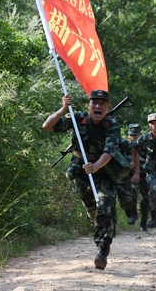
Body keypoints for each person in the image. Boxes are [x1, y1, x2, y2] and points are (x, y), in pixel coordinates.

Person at [42, 90, 134, 270]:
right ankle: (94, 217)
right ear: (89, 105)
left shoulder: (112, 124)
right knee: (91, 208)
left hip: (103, 168)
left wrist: (97, 166)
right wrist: (63, 109)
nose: (98, 106)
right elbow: (47, 126)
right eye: (94, 103)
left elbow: (110, 151)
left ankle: (103, 248)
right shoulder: (78, 119)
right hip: (80, 169)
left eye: (102, 104)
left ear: (107, 107)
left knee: (105, 204)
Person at [125, 123, 151, 231]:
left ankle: (143, 223)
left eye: (135, 135)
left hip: (144, 173)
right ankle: (133, 214)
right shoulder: (126, 145)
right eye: (131, 135)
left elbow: (151, 158)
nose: (133, 137)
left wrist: (149, 173)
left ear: (140, 134)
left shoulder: (146, 144)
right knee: (131, 192)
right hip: (131, 174)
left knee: (145, 199)